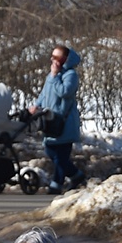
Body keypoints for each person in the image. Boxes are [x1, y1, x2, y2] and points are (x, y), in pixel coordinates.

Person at [29, 45, 86, 194]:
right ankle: (76, 175)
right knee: (50, 150)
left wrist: (55, 77)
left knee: (61, 157)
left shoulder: (70, 75)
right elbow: (44, 93)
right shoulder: (52, 75)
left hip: (64, 123)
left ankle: (56, 185)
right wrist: (36, 106)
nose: (52, 60)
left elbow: (65, 92)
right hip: (50, 121)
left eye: (56, 57)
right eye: (52, 56)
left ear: (64, 60)